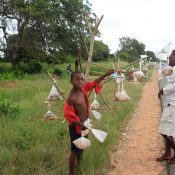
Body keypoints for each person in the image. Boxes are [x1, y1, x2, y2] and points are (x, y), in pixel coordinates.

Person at [64, 70, 114, 175]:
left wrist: (105, 74)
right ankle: (71, 173)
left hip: (84, 125)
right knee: (74, 150)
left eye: (82, 79)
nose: (80, 81)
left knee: (81, 147)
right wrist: (80, 124)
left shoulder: (83, 89)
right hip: (76, 128)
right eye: (77, 79)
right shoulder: (71, 98)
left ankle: (79, 167)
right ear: (71, 81)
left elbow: (95, 82)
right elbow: (69, 116)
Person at [157, 50, 175, 164]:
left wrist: (162, 90)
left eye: (171, 57)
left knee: (165, 131)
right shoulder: (173, 70)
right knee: (166, 131)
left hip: (173, 105)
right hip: (169, 103)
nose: (169, 59)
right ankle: (167, 153)